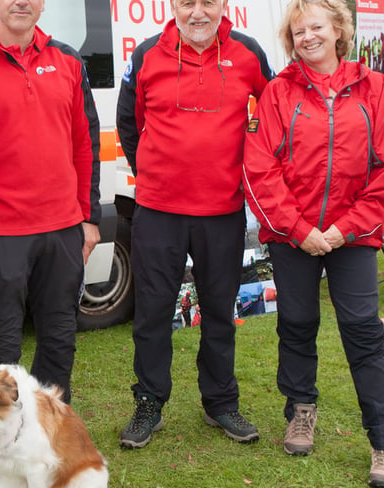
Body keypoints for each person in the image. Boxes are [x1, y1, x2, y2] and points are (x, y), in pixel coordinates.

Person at [243, 0, 384, 488]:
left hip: (352, 235)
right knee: (296, 323)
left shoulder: (373, 88)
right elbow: (260, 168)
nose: (307, 37)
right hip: (295, 236)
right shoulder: (276, 92)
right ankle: (300, 410)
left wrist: (344, 229)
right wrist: (299, 229)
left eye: (316, 27)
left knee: (361, 331)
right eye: (297, 31)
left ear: (339, 29)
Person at [116, 0, 273, 449]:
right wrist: (156, 171)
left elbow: (273, 112)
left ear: (224, 6)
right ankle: (149, 403)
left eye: (208, 2)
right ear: (173, 7)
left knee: (221, 311)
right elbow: (130, 121)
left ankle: (220, 402)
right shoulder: (147, 53)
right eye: (188, 3)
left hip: (222, 211)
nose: (198, 12)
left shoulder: (248, 53)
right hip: (158, 212)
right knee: (152, 313)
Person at [0, 0, 100, 404]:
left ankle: (48, 436)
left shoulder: (68, 61)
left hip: (63, 230)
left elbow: (86, 143)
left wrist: (89, 217)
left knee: (60, 339)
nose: (20, 2)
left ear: (43, 5)